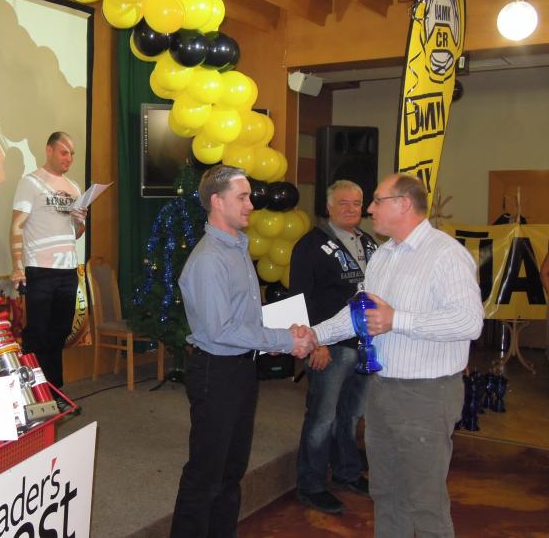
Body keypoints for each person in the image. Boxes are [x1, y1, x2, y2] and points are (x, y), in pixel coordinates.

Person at [306, 173, 484, 537]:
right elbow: (359, 314)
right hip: (382, 388)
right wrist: (313, 335)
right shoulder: (383, 255)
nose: (369, 209)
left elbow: (469, 322)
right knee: (386, 493)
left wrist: (396, 320)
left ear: (404, 204)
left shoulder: (446, 255)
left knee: (424, 500)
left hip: (427, 393)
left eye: (377, 200)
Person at [170, 165, 314, 538]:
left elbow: (246, 316)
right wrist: (284, 340)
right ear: (217, 202)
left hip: (240, 369)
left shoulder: (237, 246)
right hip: (215, 373)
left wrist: (277, 334)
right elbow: (221, 329)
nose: (251, 204)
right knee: (206, 474)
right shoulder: (209, 259)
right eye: (243, 197)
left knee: (231, 470)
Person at [290, 180, 377, 514]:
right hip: (330, 347)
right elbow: (300, 298)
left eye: (356, 203)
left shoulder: (369, 243)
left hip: (364, 345)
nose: (351, 209)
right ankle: (311, 485)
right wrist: (316, 343)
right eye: (343, 203)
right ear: (328, 207)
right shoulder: (310, 245)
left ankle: (347, 473)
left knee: (351, 415)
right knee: (322, 418)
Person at [10, 131, 86, 410]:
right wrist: (17, 266)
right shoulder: (30, 182)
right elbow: (17, 226)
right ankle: (33, 395)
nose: (69, 158)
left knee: (59, 332)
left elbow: (76, 233)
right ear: (49, 150)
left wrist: (80, 221)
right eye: (64, 152)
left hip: (68, 270)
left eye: (72, 154)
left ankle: (54, 392)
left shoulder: (74, 187)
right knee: (38, 334)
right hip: (40, 269)